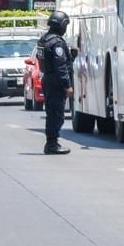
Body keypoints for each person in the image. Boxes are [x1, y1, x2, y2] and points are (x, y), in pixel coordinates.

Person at [38, 11, 74, 155]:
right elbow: (60, 66)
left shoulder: (44, 39)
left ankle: (52, 142)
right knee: (56, 114)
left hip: (48, 78)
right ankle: (52, 144)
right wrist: (67, 85)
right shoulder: (57, 42)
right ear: (62, 25)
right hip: (56, 82)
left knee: (52, 112)